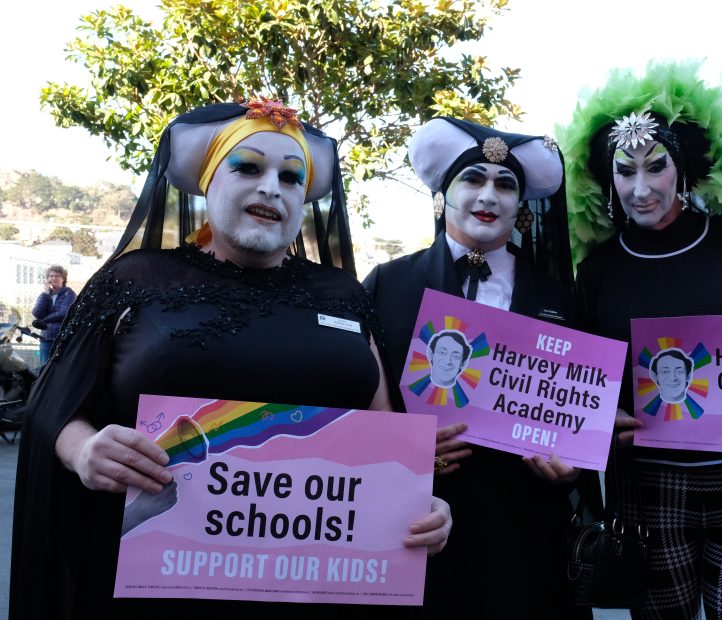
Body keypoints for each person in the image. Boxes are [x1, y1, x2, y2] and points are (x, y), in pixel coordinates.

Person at [10, 98, 450, 619]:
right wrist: (84, 450)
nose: (271, 187)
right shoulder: (134, 280)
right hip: (157, 584)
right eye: (248, 166)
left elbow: (384, 433)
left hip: (317, 588)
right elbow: (53, 405)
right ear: (209, 182)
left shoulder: (344, 295)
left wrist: (418, 501)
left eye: (292, 179)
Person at [559, 62, 722, 619]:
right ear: (608, 178)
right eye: (625, 171)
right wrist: (599, 416)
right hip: (646, 485)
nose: (641, 189)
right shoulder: (597, 270)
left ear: (683, 169)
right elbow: (574, 381)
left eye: (656, 168)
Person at [363, 117, 588, 619]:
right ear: (444, 193)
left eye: (505, 185)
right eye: (473, 179)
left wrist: (570, 468)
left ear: (522, 207)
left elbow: (579, 407)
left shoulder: (558, 297)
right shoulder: (386, 284)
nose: (489, 195)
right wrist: (406, 445)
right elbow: (359, 401)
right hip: (418, 522)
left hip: (525, 525)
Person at [31, 264, 76, 366]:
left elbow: (63, 313)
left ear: (63, 279)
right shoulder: (45, 295)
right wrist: (45, 293)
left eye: (57, 276)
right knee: (44, 368)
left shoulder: (69, 294)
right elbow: (37, 313)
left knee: (59, 368)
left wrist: (44, 320)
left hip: (61, 338)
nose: (53, 278)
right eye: (51, 276)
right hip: (46, 338)